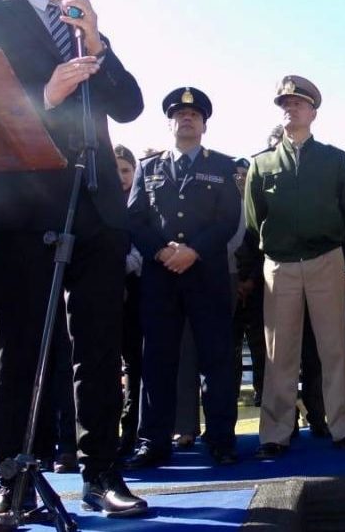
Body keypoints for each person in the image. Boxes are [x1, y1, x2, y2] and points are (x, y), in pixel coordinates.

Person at [0, 0, 147, 515]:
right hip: (26, 206)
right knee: (22, 347)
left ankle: (103, 474)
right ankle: (13, 476)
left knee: (101, 349)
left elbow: (129, 105)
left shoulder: (87, 25)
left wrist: (95, 38)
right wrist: (46, 94)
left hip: (98, 207)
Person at [245, 75, 345, 458]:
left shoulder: (335, 159)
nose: (289, 108)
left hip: (325, 260)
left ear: (313, 111)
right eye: (284, 103)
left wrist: (340, 256)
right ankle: (276, 433)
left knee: (334, 348)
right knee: (279, 353)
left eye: (297, 103)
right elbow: (253, 220)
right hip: (279, 265)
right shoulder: (261, 164)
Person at [125, 87, 241, 467]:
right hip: (160, 278)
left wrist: (194, 251)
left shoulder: (223, 166)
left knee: (216, 361)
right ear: (169, 122)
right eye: (178, 114)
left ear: (204, 124)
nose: (186, 118)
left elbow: (228, 219)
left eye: (193, 115)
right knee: (157, 361)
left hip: (206, 275)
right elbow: (135, 218)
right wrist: (160, 251)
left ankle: (221, 440)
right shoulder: (149, 167)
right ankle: (154, 441)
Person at [114, 145, 144, 457]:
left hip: (135, 293)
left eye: (125, 170)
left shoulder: (138, 207)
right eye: (115, 170)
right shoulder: (94, 204)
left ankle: (131, 431)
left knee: (135, 365)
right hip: (98, 294)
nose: (121, 176)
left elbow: (144, 246)